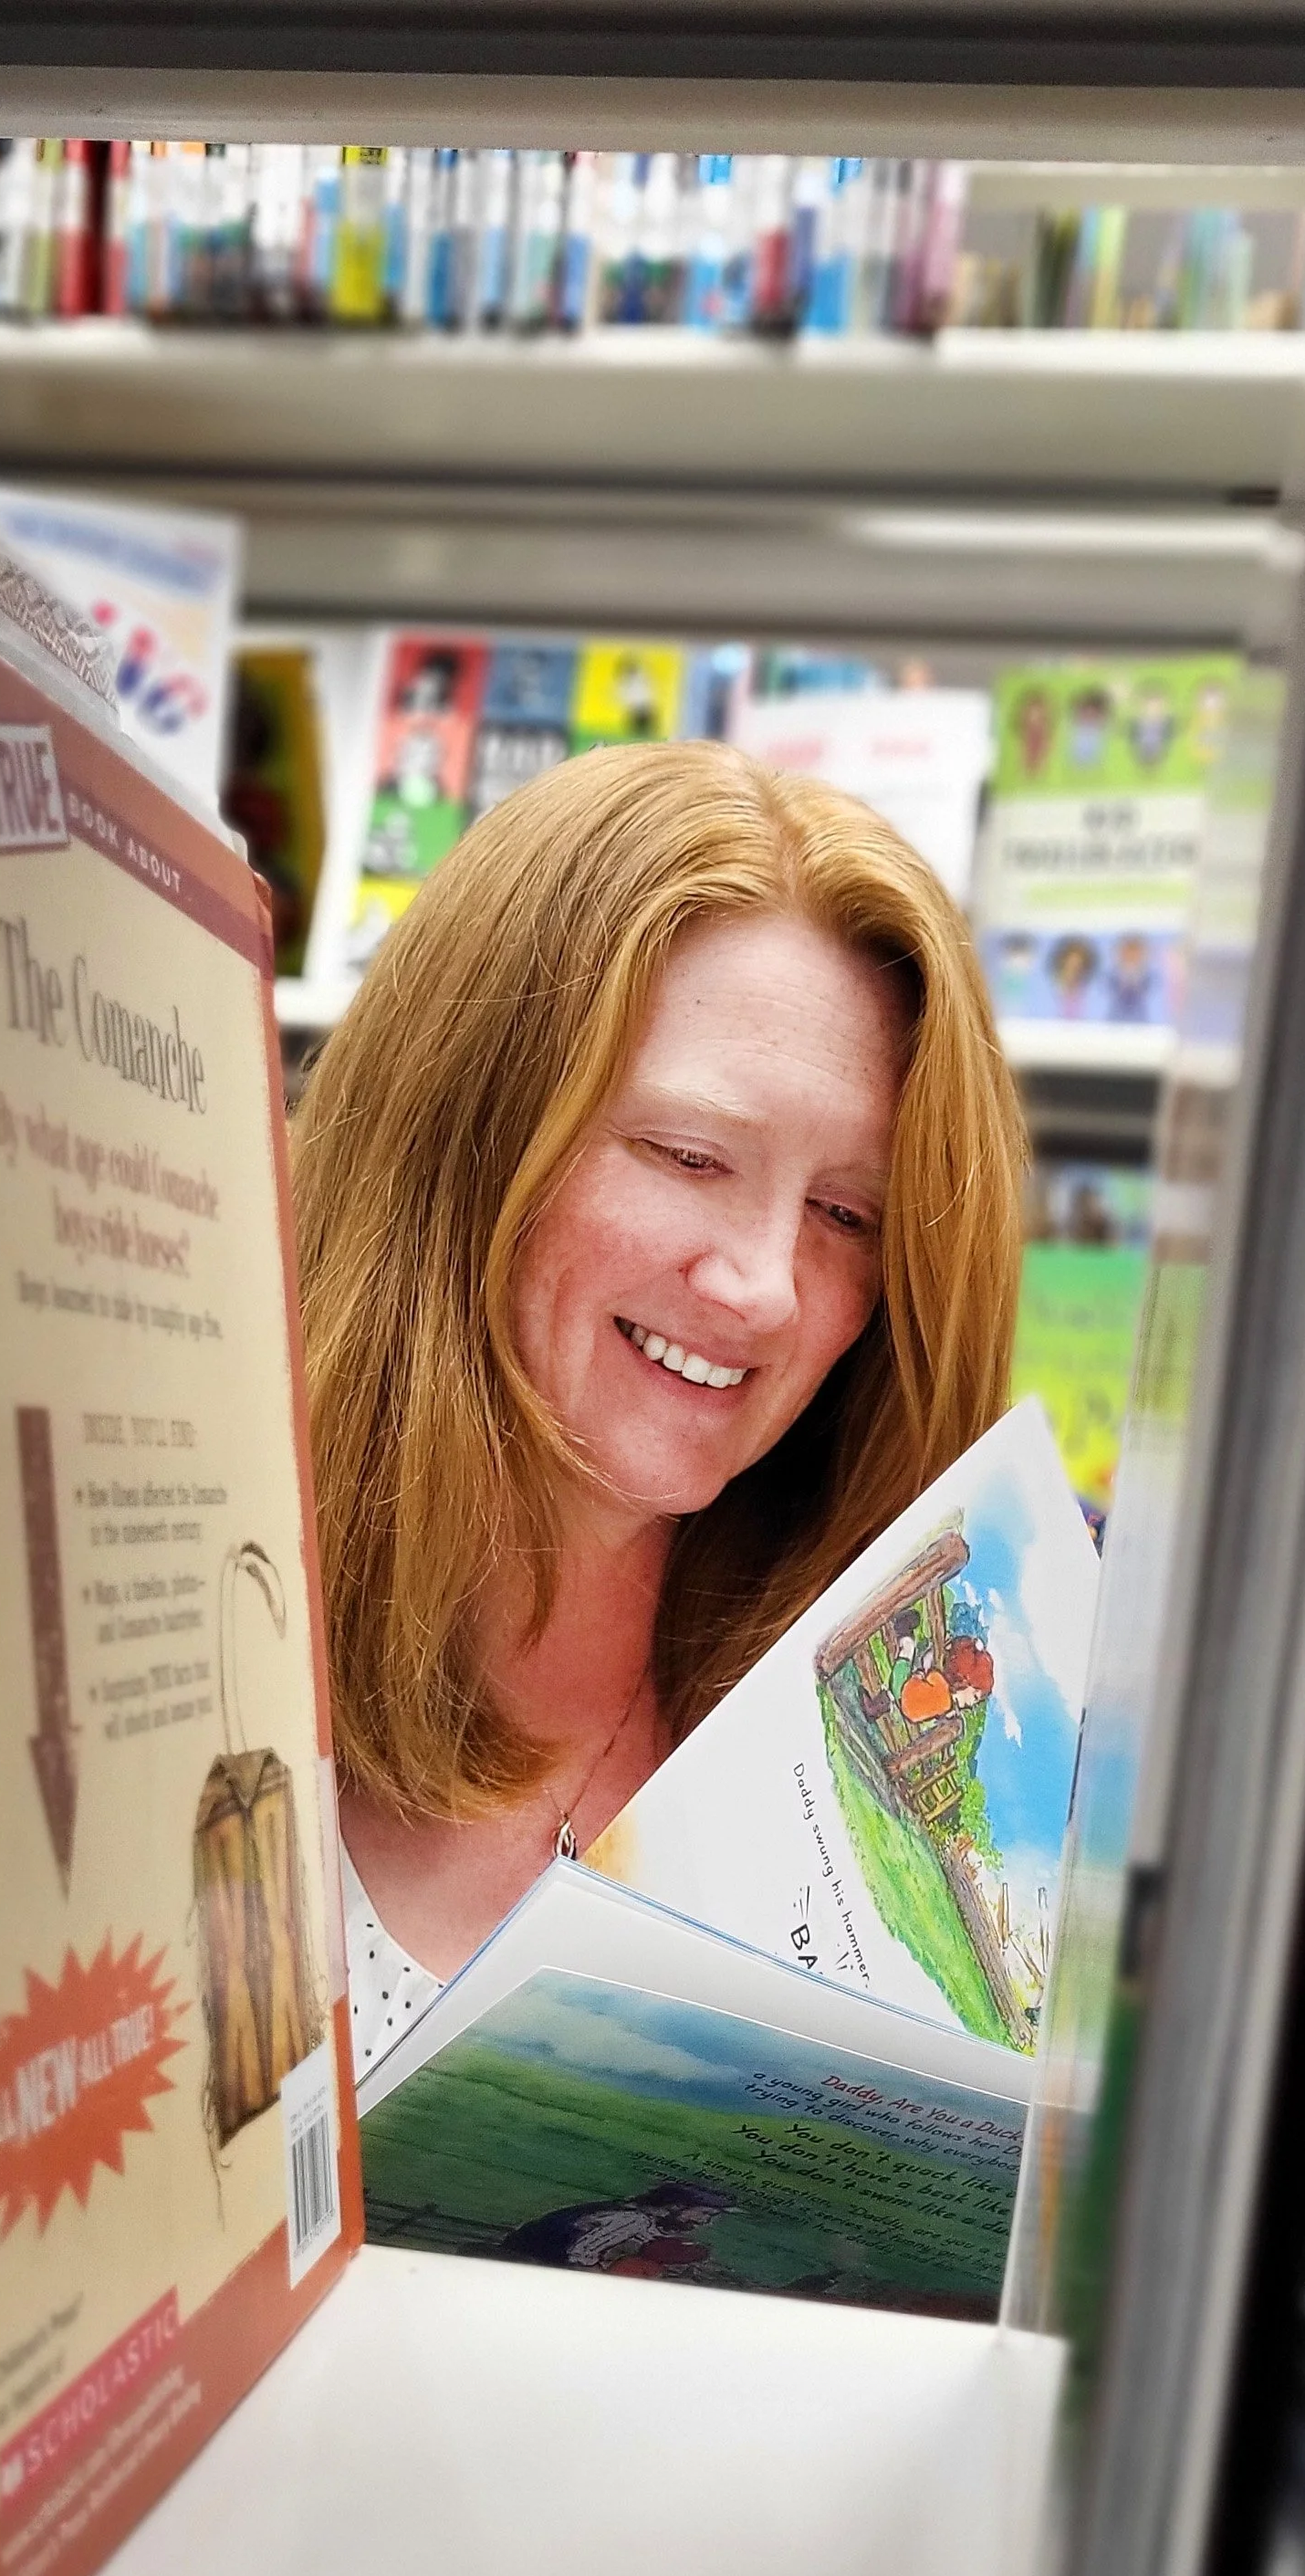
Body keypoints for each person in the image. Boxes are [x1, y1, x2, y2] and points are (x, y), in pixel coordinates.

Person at [291, 739, 1026, 2003]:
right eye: (687, 1156)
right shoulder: (183, 1628)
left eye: (847, 1216)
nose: (766, 1287)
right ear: (462, 1134)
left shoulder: (919, 1744)